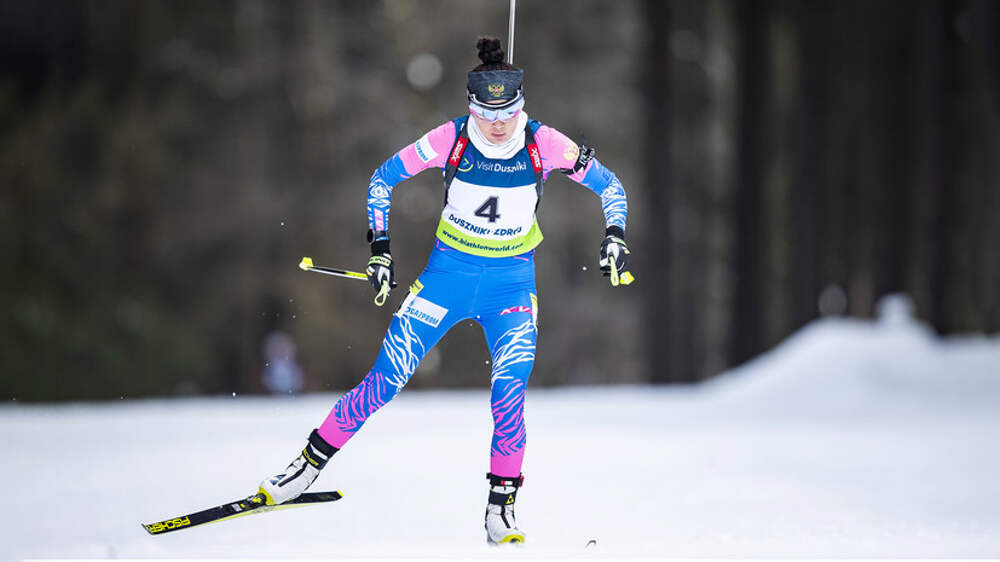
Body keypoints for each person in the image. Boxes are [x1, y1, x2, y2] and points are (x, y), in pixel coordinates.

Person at [257, 36, 633, 545]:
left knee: (509, 395)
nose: (498, 124)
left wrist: (614, 237)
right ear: (470, 105)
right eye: (487, 112)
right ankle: (304, 468)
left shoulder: (544, 143)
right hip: (445, 279)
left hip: (510, 288)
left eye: (509, 112)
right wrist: (380, 250)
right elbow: (381, 180)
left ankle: (501, 508)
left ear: (522, 105)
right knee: (385, 380)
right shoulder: (449, 139)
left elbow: (611, 187)